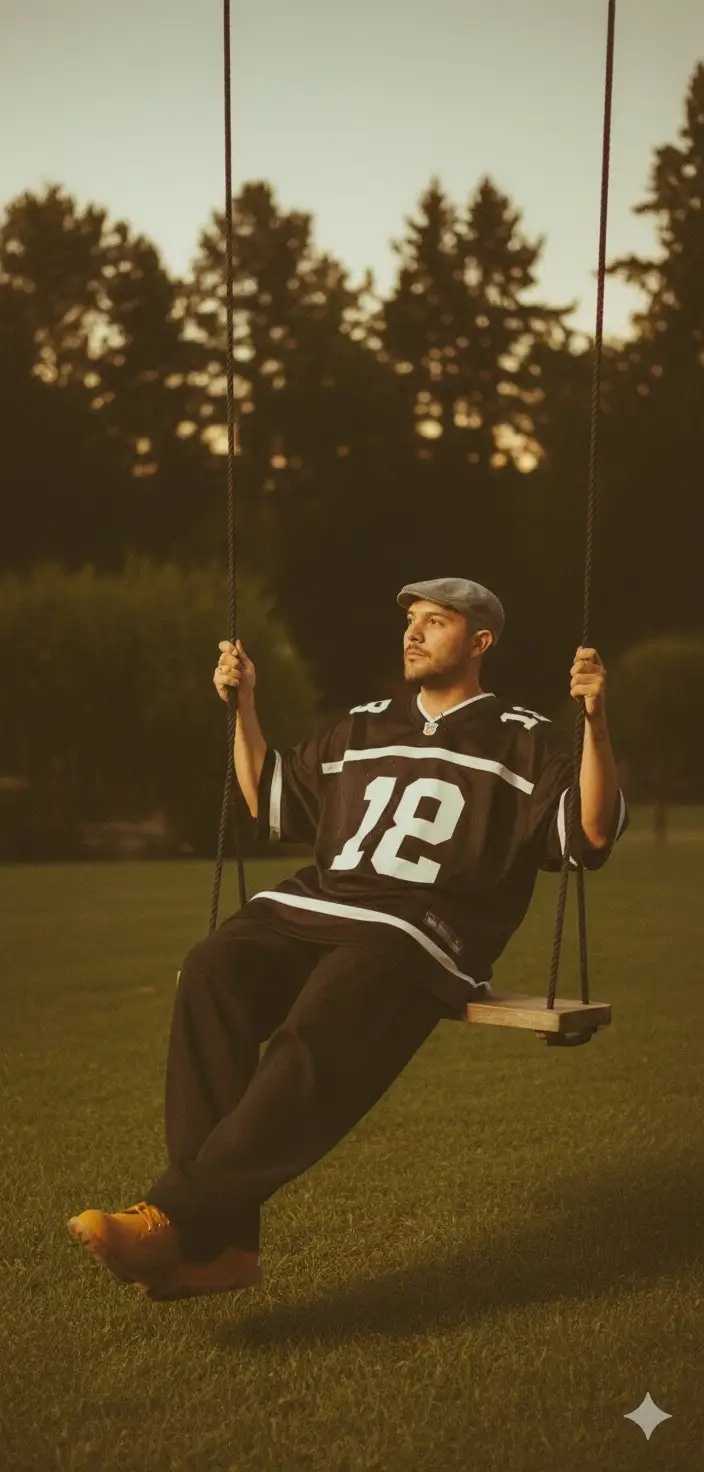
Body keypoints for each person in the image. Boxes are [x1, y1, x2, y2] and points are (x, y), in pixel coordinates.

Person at [67, 577, 628, 1302]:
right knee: (212, 969)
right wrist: (244, 706)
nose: (413, 633)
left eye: (436, 621)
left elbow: (590, 831)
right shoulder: (361, 726)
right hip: (319, 904)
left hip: (419, 929)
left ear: (481, 642)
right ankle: (225, 1247)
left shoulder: (524, 737)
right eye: (411, 620)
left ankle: (173, 1217)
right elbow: (268, 794)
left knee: (325, 1018)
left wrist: (595, 722)